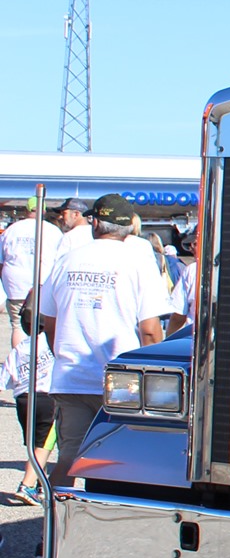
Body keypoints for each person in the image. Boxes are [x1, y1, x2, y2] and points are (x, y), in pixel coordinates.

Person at [37, 193, 173, 486]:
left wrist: (63, 354)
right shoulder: (139, 262)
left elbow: (50, 323)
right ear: (129, 227)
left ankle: (58, 512)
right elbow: (150, 329)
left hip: (71, 378)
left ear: (95, 223)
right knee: (122, 460)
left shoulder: (67, 260)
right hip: (123, 382)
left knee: (70, 457)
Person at [1, 196, 62, 347]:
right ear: (44, 211)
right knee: (42, 325)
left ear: (27, 210)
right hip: (43, 284)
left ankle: (20, 357)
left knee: (17, 324)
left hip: (16, 284)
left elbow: (1, 260)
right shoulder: (53, 231)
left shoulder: (11, 230)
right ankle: (39, 358)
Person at [5, 319, 54, 502]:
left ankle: (41, 484)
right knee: (45, 444)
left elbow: (6, 378)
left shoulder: (19, 349)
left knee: (34, 444)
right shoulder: (51, 343)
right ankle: (27, 485)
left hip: (23, 400)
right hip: (46, 398)